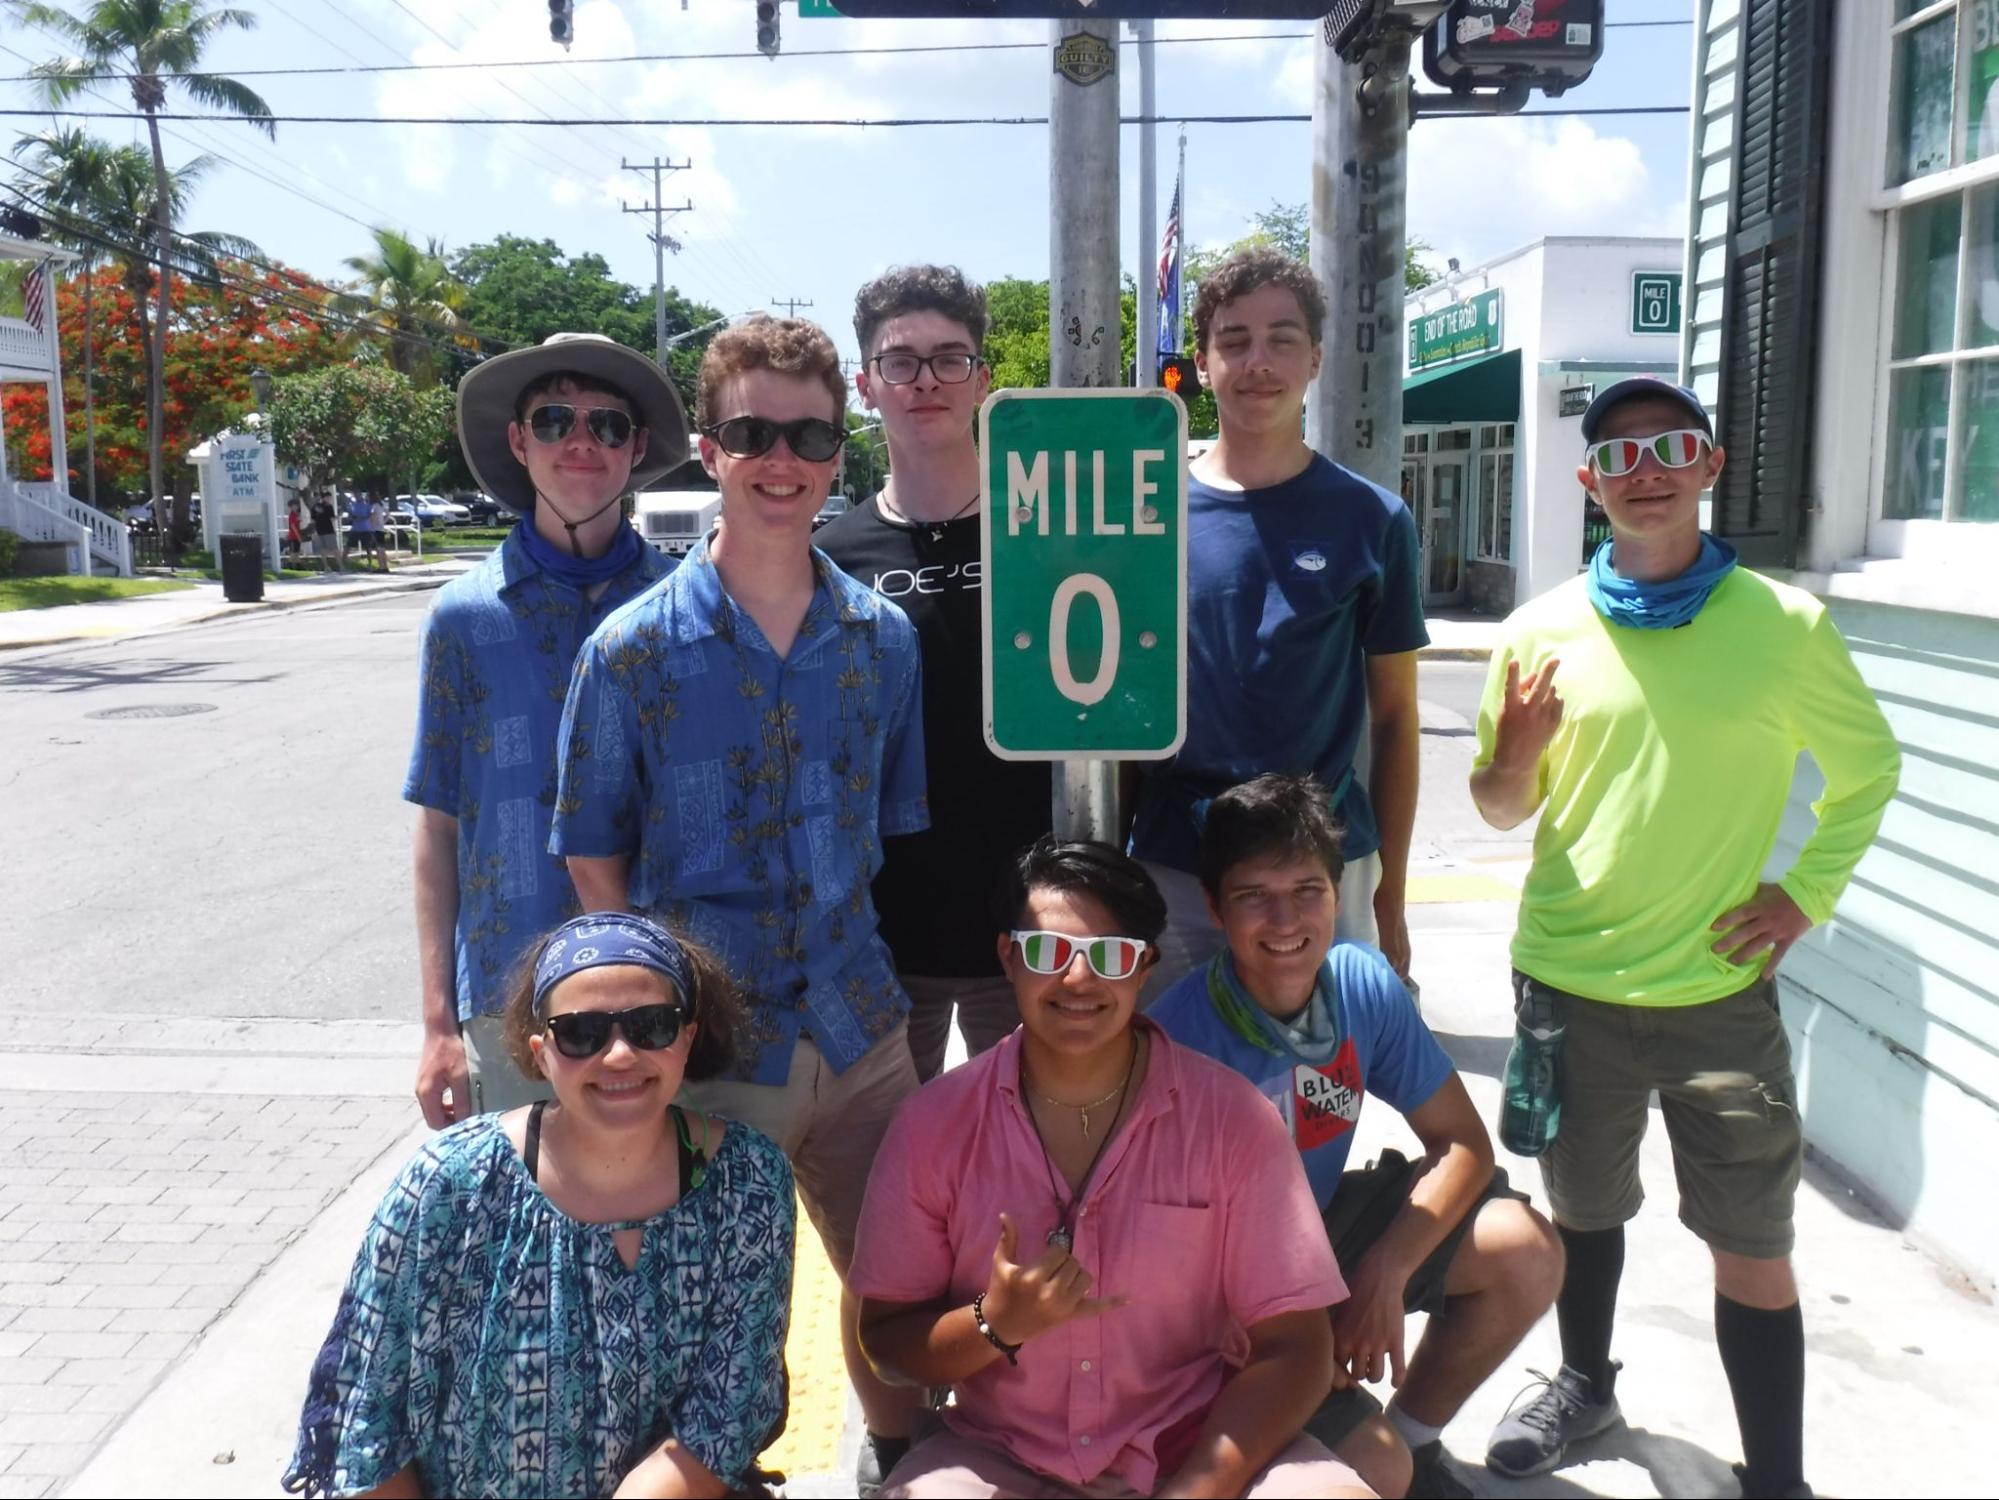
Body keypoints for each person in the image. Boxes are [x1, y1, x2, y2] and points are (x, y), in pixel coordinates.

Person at [1470, 378, 1901, 1499]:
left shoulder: (1785, 626)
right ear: (1588, 484)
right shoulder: (1538, 631)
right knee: (1583, 1210)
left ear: (1708, 466)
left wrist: (1802, 897)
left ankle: (1779, 1480)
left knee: (1752, 1239)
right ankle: (1582, 1384)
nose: (1645, 468)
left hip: (1717, 992)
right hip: (1567, 980)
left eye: (1670, 447)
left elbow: (1869, 773)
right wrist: (1513, 752)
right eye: (1619, 455)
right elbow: (1498, 807)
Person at [551, 315, 929, 1493]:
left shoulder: (884, 642)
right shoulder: (629, 653)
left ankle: (907, 1462)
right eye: (752, 432)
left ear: (838, 447)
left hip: (864, 1034)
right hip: (715, 1054)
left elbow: (891, 835)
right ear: (708, 450)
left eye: (808, 434)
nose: (782, 460)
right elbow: (591, 860)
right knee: (705, 1335)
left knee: (898, 1292)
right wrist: (658, 1021)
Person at [851, 837, 1373, 1500]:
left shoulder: (1232, 1118)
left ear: (1144, 967)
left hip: (1193, 1444)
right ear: (1008, 956)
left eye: (1111, 956)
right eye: (1047, 951)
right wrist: (993, 1323)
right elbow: (888, 1344)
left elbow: (1296, 1348)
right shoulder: (932, 1125)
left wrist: (1195, 1490)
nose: (1077, 979)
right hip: (1002, 1455)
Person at [1149, 774, 1564, 1500]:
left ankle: (1418, 1437)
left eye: (1307, 889)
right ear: (1214, 908)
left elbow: (1462, 1144)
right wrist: (1305, 1334)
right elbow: (1160, 1253)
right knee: (1372, 1472)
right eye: (1253, 897)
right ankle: (1358, 1442)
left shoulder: (1360, 982)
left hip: (1317, 1242)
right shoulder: (1177, 1041)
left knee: (1523, 1249)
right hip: (1218, 1296)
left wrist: (1384, 1271)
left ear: (1337, 896)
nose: (1285, 920)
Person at [283, 912, 795, 1500]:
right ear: (541, 1051)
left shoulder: (749, 1181)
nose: (621, 1054)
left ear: (688, 1036)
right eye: (583, 1033)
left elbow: (727, 1416)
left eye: (651, 1025)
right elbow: (368, 1421)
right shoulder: (449, 1186)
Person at [1129, 248, 1427, 998]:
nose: (1256, 360)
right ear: (1199, 363)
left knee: (1314, 1099)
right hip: (1174, 867)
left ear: (1315, 358)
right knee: (1174, 1102)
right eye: (1233, 340)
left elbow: (1393, 718)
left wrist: (1389, 893)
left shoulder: (1373, 519)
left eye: (1281, 338)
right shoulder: (1141, 513)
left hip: (1324, 870)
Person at [405, 332, 682, 1126]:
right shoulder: (463, 617)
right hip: (510, 1004)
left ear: (636, 448)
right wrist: (435, 1027)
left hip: (659, 999)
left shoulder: (685, 608)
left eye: (608, 423)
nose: (582, 441)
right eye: (556, 419)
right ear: (520, 441)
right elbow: (438, 829)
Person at [817, 265, 1052, 1082]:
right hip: (885, 940)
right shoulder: (831, 559)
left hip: (1027, 928)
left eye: (950, 358)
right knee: (889, 1182)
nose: (926, 380)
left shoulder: (1050, 534)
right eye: (900, 360)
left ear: (983, 381)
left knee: (1029, 1169)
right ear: (865, 386)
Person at [309, 493, 341, 573]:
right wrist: (339, 516)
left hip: (319, 530)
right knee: (334, 549)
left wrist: (313, 531)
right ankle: (341, 566)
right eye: (328, 497)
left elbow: (313, 520)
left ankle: (326, 567)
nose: (329, 499)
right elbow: (332, 519)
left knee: (323, 550)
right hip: (328, 530)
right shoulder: (329, 506)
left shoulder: (314, 507)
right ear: (324, 498)